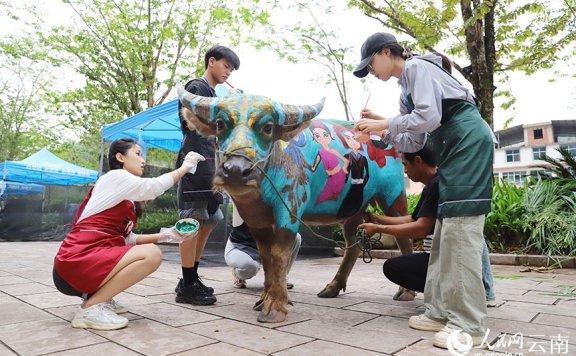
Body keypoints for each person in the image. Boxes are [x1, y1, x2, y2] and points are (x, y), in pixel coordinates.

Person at [353, 32, 495, 349]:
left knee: (459, 233)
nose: (371, 71)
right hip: (452, 150)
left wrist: (384, 123)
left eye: (371, 63)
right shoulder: (406, 91)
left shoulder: (416, 68)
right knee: (444, 236)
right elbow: (414, 142)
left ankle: (468, 325)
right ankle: (440, 310)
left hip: (468, 144)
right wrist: (381, 130)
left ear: (388, 52)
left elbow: (428, 117)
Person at [53, 138, 204, 330]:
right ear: (120, 157)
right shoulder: (114, 177)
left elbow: (127, 239)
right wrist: (185, 168)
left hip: (83, 264)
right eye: (138, 154)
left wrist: (168, 235)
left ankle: (102, 298)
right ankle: (90, 308)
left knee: (150, 249)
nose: (143, 160)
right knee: (152, 254)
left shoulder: (126, 198)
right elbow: (153, 187)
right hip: (75, 261)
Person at [358, 141, 496, 304]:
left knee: (392, 268)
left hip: (449, 258)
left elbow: (421, 229)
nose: (405, 171)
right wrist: (377, 218)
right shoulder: (434, 183)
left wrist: (378, 228)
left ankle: (449, 293)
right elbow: (414, 219)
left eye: (405, 164)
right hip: (446, 256)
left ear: (418, 161)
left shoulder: (437, 185)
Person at [175, 45, 240, 306]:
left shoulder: (212, 92)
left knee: (211, 219)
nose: (228, 72)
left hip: (211, 167)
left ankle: (190, 277)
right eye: (226, 66)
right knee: (192, 220)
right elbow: (196, 124)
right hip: (195, 165)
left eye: (232, 69)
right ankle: (187, 283)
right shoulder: (197, 87)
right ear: (211, 61)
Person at [225, 204, 301, 290]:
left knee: (295, 237)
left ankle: (280, 277)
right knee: (249, 267)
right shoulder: (243, 202)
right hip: (241, 247)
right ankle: (238, 275)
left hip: (266, 248)